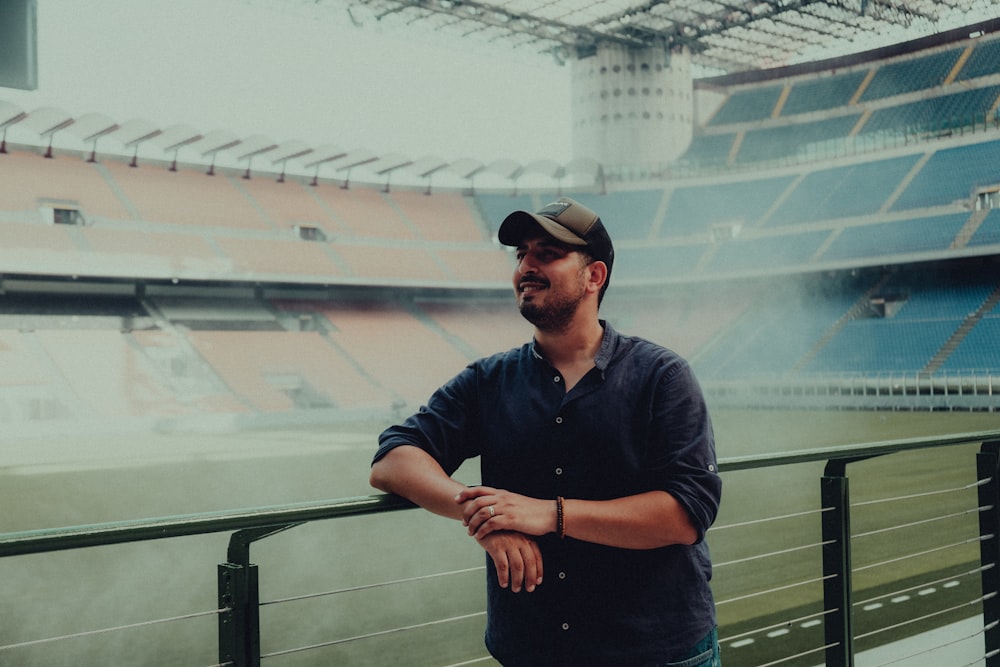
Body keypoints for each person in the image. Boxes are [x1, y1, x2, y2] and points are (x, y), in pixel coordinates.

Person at [370, 197, 722, 666]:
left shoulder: (662, 376)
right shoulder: (488, 380)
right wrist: (487, 519)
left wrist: (549, 514)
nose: (526, 266)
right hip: (533, 650)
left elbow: (686, 513)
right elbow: (394, 458)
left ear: (593, 276)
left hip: (654, 650)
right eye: (521, 254)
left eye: (547, 254)